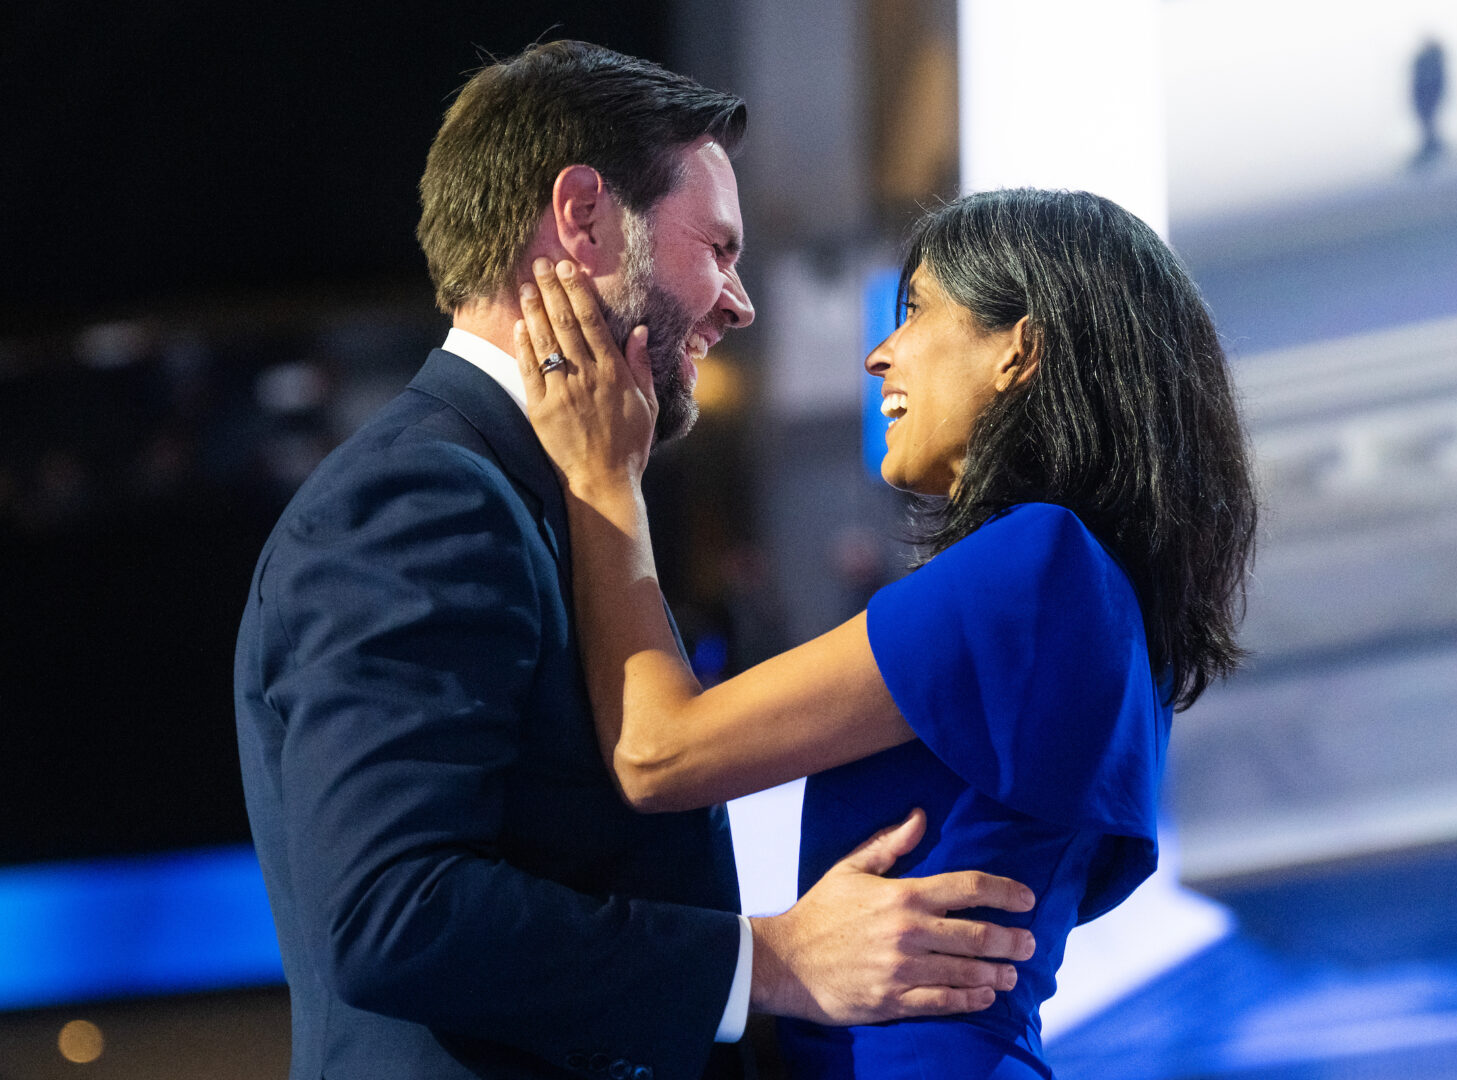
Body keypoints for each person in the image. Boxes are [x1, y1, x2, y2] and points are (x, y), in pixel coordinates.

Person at [233, 41, 1038, 1080]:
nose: (738, 302)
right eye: (718, 247)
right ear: (580, 217)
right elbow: (395, 913)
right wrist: (770, 963)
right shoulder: (423, 497)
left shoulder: (537, 485)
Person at [513, 187, 1260, 1079]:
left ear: (1020, 349)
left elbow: (656, 752)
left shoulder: (1037, 563)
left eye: (915, 311)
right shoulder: (1108, 601)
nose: (879, 354)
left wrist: (606, 480)